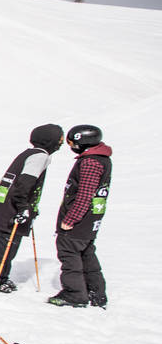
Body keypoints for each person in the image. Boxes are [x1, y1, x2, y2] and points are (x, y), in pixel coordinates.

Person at [0, 124, 64, 293]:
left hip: (5, 205)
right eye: (60, 139)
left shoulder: (30, 153)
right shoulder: (40, 156)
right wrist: (23, 207)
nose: (61, 143)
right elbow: (24, 183)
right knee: (6, 247)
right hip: (12, 208)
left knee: (3, 246)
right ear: (50, 140)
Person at [48, 125, 111, 308]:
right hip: (89, 222)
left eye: (72, 143)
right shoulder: (100, 159)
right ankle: (96, 292)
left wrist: (70, 219)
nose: (71, 146)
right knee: (86, 254)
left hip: (79, 222)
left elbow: (85, 195)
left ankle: (75, 294)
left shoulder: (91, 162)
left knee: (69, 255)